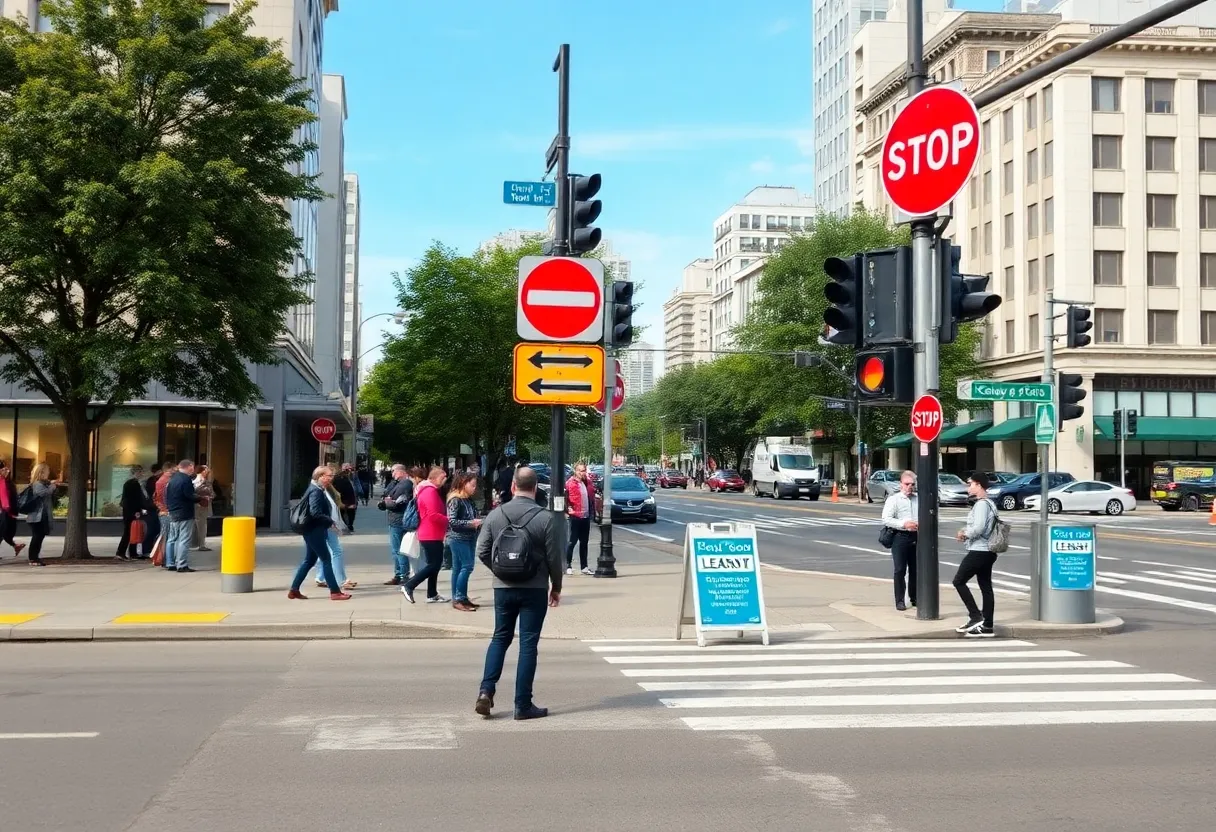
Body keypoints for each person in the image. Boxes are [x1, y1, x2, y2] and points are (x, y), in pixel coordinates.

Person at [474, 466, 562, 721]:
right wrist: (556, 586)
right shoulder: (546, 518)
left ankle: (486, 690)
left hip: (503, 588)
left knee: (500, 638)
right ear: (535, 488)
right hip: (534, 588)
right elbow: (554, 558)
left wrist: (500, 571)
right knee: (528, 644)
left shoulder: (495, 514)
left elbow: (482, 551)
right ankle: (522, 705)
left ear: (513, 486)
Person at [287, 466, 351, 601]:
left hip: (312, 529)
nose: (331, 479)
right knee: (326, 559)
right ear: (320, 476)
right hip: (314, 530)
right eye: (329, 476)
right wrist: (330, 521)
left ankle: (294, 589)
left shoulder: (316, 489)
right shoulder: (316, 491)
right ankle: (335, 592)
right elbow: (315, 512)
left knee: (309, 560)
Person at [953, 471, 998, 638]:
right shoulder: (990, 504)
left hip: (980, 550)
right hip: (989, 551)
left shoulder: (981, 505)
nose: (968, 487)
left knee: (959, 581)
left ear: (979, 485)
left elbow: (978, 528)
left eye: (970, 484)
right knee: (986, 587)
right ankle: (987, 625)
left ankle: (975, 616)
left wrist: (964, 534)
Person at [401, 466, 448, 604]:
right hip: (430, 533)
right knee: (434, 565)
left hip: (433, 533)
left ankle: (432, 594)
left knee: (435, 564)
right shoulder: (429, 491)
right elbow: (432, 515)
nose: (445, 480)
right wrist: (449, 520)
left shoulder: (429, 490)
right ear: (433, 478)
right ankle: (409, 585)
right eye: (442, 477)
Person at [880, 469, 918, 611]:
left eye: (912, 484)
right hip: (900, 536)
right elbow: (886, 519)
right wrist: (903, 524)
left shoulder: (918, 499)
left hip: (916, 536)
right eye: (907, 484)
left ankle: (915, 597)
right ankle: (900, 600)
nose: (910, 487)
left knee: (915, 569)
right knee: (900, 569)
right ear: (901, 484)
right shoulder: (894, 499)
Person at [446, 471, 482, 611]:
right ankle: (459, 598)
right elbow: (452, 521)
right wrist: (471, 523)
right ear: (463, 483)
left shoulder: (467, 499)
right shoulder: (456, 499)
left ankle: (460, 597)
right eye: (472, 485)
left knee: (458, 568)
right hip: (459, 538)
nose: (474, 488)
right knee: (467, 566)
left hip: (468, 537)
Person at [380, 464, 415, 586]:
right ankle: (398, 574)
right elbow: (386, 494)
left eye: (394, 471)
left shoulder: (405, 484)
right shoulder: (397, 483)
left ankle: (403, 575)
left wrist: (388, 500)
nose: (392, 473)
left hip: (399, 520)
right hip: (395, 519)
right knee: (396, 550)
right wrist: (387, 498)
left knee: (399, 550)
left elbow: (395, 500)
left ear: (401, 471)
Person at [164, 460, 200, 573]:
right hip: (184, 512)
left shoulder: (172, 479)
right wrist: (200, 498)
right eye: (192, 467)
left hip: (173, 512)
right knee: (184, 539)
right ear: (189, 466)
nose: (193, 470)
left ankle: (170, 563)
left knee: (172, 539)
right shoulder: (185, 479)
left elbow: (167, 496)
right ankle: (182, 564)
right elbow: (190, 495)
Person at [563, 461, 596, 576]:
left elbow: (591, 496)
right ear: (575, 471)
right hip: (575, 517)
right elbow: (565, 498)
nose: (582, 473)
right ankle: (567, 565)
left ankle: (584, 567)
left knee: (584, 542)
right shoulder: (570, 483)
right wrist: (568, 509)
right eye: (580, 471)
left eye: (584, 470)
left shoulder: (586, 482)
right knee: (571, 542)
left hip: (585, 517)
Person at [24, 463, 58, 566]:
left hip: (40, 515)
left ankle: (35, 557)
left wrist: (51, 483)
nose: (48, 473)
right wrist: (52, 486)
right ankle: (33, 558)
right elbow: (43, 493)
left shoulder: (42, 483)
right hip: (37, 516)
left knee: (39, 536)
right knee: (37, 536)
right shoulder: (37, 484)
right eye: (47, 471)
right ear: (41, 472)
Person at [116, 465, 147, 560]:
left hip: (128, 510)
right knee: (129, 532)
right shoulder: (134, 484)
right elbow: (135, 499)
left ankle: (131, 552)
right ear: (136, 473)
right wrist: (137, 511)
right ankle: (122, 552)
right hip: (131, 510)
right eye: (140, 472)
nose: (142, 474)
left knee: (131, 531)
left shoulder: (130, 483)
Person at [0, 461, 25, 558]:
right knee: (4, 532)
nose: (5, 470)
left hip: (7, 511)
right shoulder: (4, 481)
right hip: (6, 511)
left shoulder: (6, 481)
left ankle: (15, 546)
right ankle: (15, 546)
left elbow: (7, 497)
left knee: (5, 532)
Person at [333, 463, 359, 532]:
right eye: (350, 469)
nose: (351, 471)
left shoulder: (350, 476)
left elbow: (354, 486)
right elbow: (340, 489)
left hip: (350, 498)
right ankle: (347, 526)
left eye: (351, 469)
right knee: (345, 513)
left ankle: (349, 526)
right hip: (345, 499)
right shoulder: (340, 477)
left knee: (350, 513)